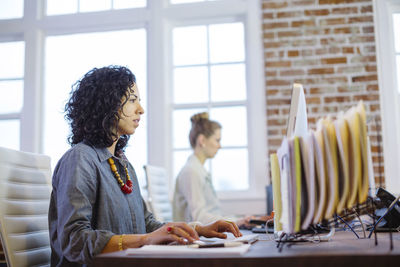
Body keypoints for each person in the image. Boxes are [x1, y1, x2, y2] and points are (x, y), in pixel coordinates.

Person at [48, 66, 241, 267]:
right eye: (132, 100)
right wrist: (145, 240)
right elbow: (74, 241)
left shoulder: (123, 164)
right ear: (107, 103)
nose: (141, 109)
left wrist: (199, 229)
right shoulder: (80, 159)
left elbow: (146, 223)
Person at [172, 112, 272, 228]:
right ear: (202, 140)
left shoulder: (198, 170)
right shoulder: (191, 171)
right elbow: (199, 217)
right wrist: (236, 222)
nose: (220, 146)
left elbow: (211, 213)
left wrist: (238, 221)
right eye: (217, 140)